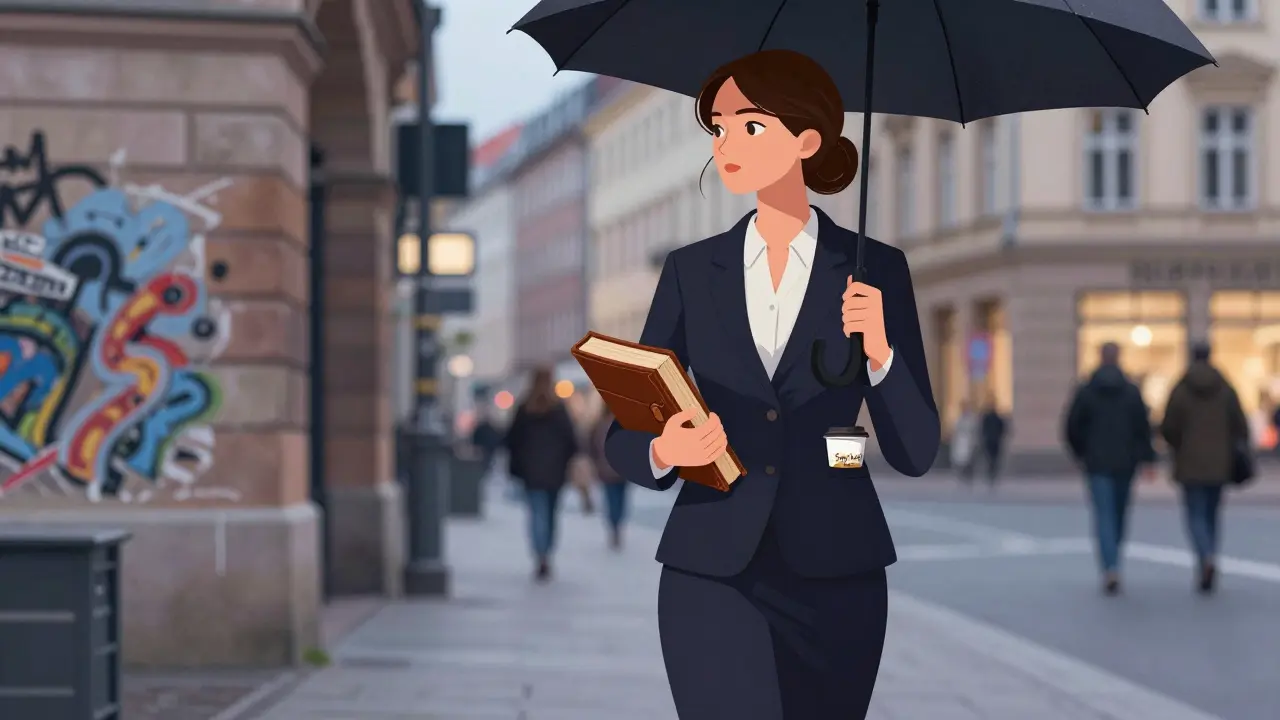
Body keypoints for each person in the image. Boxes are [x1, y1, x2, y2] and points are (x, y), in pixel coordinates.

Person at [603, 50, 939, 720]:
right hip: (711, 568)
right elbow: (622, 436)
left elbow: (916, 449)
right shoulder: (692, 273)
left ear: (806, 141)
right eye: (720, 127)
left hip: (839, 570)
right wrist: (666, 450)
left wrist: (879, 352)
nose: (726, 144)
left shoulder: (876, 270)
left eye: (749, 127)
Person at [1064, 341, 1155, 595]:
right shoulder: (1131, 391)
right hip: (1126, 462)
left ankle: (1110, 567)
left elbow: (1072, 427)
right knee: (1119, 514)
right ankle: (1115, 559)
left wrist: (1082, 453)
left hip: (1097, 463)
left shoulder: (1086, 390)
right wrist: (1146, 458)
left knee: (1103, 515)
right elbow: (1143, 428)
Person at [1159, 341, 1248, 594]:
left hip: (1189, 463)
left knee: (1195, 514)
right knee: (1212, 514)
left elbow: (1169, 427)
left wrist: (1178, 445)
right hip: (1220, 463)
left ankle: (1204, 556)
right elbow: (1239, 425)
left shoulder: (1181, 389)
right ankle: (1210, 556)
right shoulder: (1225, 388)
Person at [503, 367, 580, 582]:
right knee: (551, 514)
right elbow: (571, 440)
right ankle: (547, 551)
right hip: (555, 472)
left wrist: (518, 464)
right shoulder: (559, 409)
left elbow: (511, 440)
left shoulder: (524, 408)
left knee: (536, 512)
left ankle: (540, 554)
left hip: (531, 471)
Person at [589, 407, 629, 549]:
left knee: (612, 499)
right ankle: (616, 524)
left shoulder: (599, 424)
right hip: (623, 470)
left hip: (606, 470)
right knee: (620, 499)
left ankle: (614, 526)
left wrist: (596, 464)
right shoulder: (625, 424)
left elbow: (592, 447)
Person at [978, 398, 1007, 487]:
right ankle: (991, 473)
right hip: (992, 440)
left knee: (992, 458)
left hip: (993, 440)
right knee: (992, 458)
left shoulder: (996, 418)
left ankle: (991, 473)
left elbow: (1002, 429)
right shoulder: (990, 418)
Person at [951, 400, 979, 484]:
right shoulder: (959, 419)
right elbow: (955, 430)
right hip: (960, 442)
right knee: (960, 460)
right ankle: (960, 476)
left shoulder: (971, 419)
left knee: (968, 460)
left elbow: (974, 430)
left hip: (968, 442)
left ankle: (968, 477)